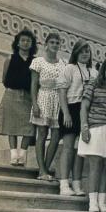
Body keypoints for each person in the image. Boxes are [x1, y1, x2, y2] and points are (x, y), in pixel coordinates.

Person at [78, 58, 106, 212]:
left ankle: (102, 202)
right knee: (95, 166)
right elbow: (84, 107)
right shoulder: (93, 85)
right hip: (94, 128)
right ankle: (92, 202)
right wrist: (84, 128)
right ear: (103, 70)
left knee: (105, 167)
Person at [57, 40, 97, 196]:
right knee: (68, 148)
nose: (85, 54)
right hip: (72, 108)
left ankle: (77, 183)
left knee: (81, 149)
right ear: (76, 53)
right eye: (82, 51)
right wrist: (65, 113)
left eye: (87, 51)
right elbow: (61, 92)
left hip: (86, 110)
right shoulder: (70, 68)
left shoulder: (94, 72)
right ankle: (64, 184)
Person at [0, 28, 36, 166]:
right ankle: (14, 155)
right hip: (11, 94)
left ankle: (22, 155)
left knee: (28, 127)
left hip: (28, 97)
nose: (25, 43)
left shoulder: (35, 62)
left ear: (32, 44)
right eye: (23, 40)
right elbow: (4, 78)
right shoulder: (10, 58)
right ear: (18, 43)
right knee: (10, 125)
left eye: (28, 41)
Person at [29, 31, 65, 180]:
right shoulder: (39, 62)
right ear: (46, 44)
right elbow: (33, 85)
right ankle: (42, 170)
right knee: (42, 134)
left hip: (58, 99)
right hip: (43, 97)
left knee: (56, 135)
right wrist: (35, 104)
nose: (55, 45)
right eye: (52, 42)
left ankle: (46, 167)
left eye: (57, 43)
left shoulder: (63, 63)